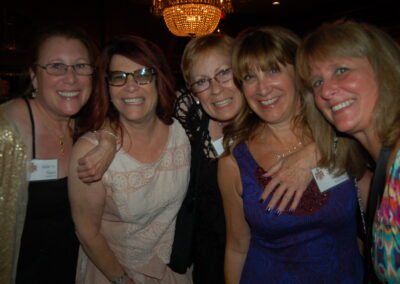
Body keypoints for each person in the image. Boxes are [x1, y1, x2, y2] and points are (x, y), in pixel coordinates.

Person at [219, 26, 370, 283]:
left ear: (299, 75)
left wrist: (316, 149)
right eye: (249, 77)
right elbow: (236, 246)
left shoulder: (342, 133)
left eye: (273, 70)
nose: (262, 89)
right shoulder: (233, 163)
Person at [68, 34, 192, 284]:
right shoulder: (90, 152)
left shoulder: (182, 130)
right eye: (118, 77)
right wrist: (123, 280)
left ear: (159, 79)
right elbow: (87, 232)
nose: (131, 86)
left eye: (143, 74)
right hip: (113, 271)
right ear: (108, 86)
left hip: (172, 271)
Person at [0, 24, 106, 284]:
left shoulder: (87, 125)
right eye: (56, 66)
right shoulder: (7, 128)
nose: (71, 78)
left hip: (77, 272)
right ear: (34, 76)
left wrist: (110, 140)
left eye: (81, 66)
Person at [296, 20, 400, 283]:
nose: (326, 91)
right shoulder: (381, 163)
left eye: (341, 70)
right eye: (317, 82)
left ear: (383, 69)